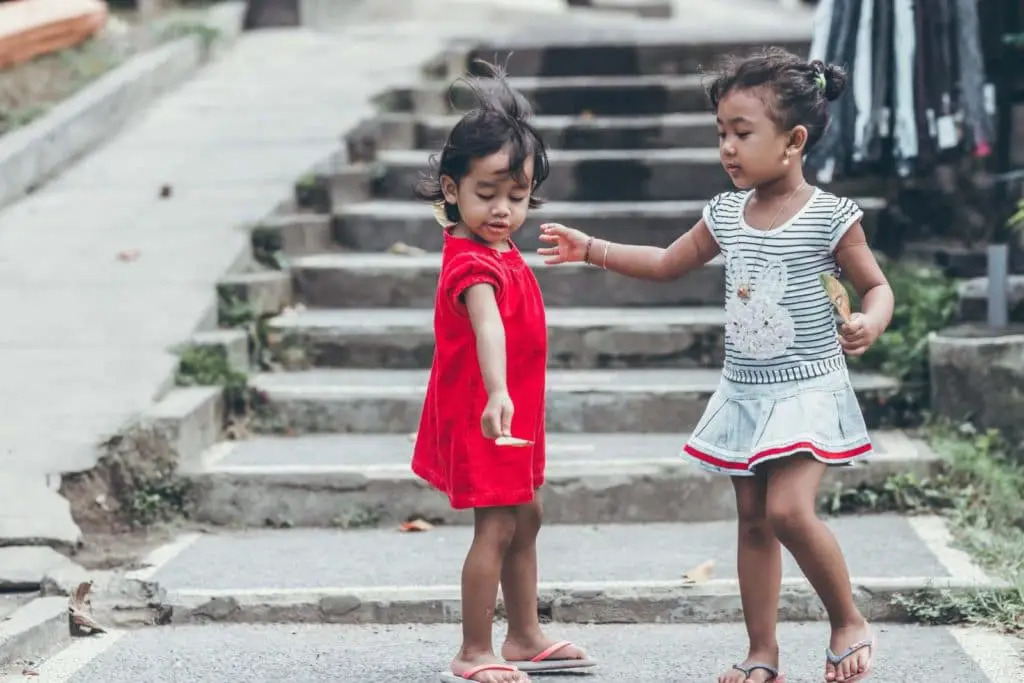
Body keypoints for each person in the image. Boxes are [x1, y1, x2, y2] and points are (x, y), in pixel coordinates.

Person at [538, 48, 893, 683]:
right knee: (753, 522)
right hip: (747, 390)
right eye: (720, 134)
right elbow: (665, 262)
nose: (727, 148)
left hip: (808, 386)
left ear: (794, 141)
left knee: (788, 511)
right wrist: (591, 248)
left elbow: (878, 288)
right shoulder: (726, 214)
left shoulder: (830, 216)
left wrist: (870, 321)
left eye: (742, 133)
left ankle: (846, 619)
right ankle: (762, 653)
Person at [411, 60, 596, 683]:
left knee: (527, 514)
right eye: (486, 194)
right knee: (495, 524)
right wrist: (496, 391)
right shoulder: (469, 263)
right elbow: (487, 324)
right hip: (487, 410)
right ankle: (473, 649)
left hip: (515, 407)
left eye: (517, 198)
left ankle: (523, 634)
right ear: (450, 188)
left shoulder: (498, 248)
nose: (503, 210)